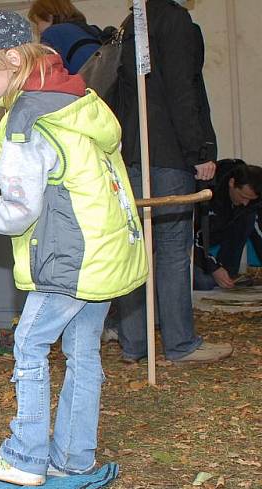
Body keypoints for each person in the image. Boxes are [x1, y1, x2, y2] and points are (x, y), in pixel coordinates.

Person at [0, 10, 147, 486]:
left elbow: (19, 208)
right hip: (105, 253)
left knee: (30, 346)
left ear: (13, 60)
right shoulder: (79, 100)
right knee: (82, 352)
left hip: (69, 259)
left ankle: (26, 456)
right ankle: (74, 456)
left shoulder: (24, 121)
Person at [111, 0, 232, 364]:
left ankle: (135, 344)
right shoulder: (174, 20)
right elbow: (183, 88)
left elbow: (123, 94)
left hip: (134, 152)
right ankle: (180, 344)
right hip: (167, 153)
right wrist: (200, 149)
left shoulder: (133, 21)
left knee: (137, 253)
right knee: (172, 253)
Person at [194, 160, 262, 290]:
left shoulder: (254, 200)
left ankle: (228, 272)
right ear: (231, 183)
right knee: (205, 283)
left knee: (247, 216)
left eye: (250, 199)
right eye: (243, 196)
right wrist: (214, 268)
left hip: (220, 235)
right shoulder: (207, 193)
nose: (245, 203)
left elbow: (259, 235)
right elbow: (193, 239)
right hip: (194, 247)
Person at [27, 0, 106, 74]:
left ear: (49, 16)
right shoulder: (91, 30)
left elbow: (45, 74)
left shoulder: (52, 33)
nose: (38, 29)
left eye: (38, 23)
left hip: (84, 82)